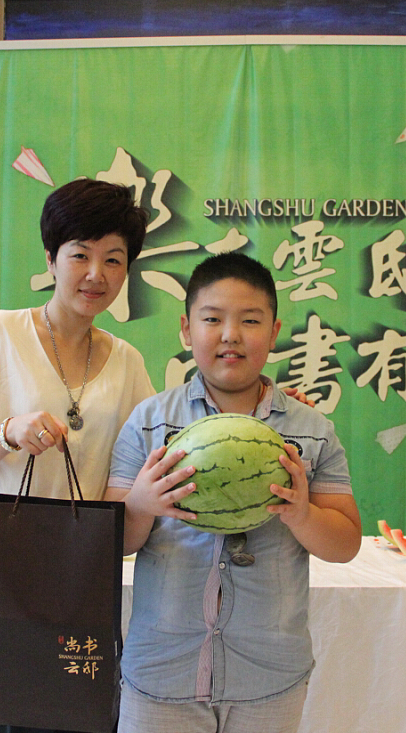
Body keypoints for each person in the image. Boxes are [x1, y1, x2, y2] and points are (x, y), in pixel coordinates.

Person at [104, 252, 363, 733]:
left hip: (269, 677)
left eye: (250, 320)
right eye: (212, 319)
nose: (230, 334)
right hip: (162, 673)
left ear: (275, 331)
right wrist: (139, 505)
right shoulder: (149, 423)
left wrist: (302, 515)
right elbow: (109, 543)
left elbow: (346, 544)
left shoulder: (311, 431)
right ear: (186, 330)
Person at [0, 179, 154, 733]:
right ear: (51, 259)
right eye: (80, 255)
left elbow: (158, 450)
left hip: (81, 566)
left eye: (113, 259)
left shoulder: (128, 362)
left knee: (79, 713)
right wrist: (8, 432)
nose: (96, 274)